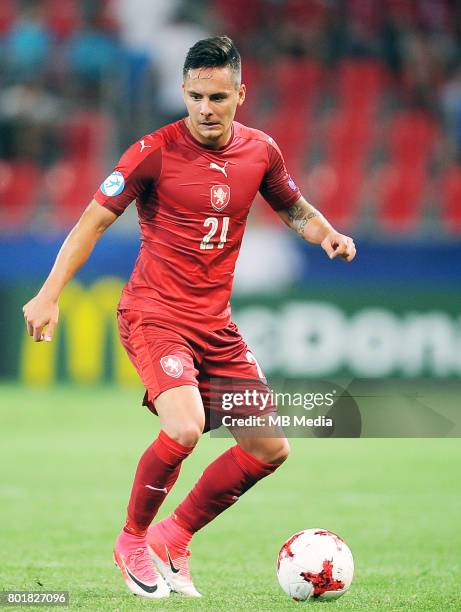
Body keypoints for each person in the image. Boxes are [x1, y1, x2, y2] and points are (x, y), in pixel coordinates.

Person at [23, 36, 356, 599]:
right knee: (184, 426)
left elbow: (293, 207)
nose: (206, 108)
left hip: (216, 325)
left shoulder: (261, 151)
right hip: (155, 315)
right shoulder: (151, 151)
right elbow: (91, 222)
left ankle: (173, 536)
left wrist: (326, 234)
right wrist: (49, 292)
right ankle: (133, 539)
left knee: (269, 447)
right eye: (197, 95)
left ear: (240, 95)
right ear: (183, 91)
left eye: (219, 97)